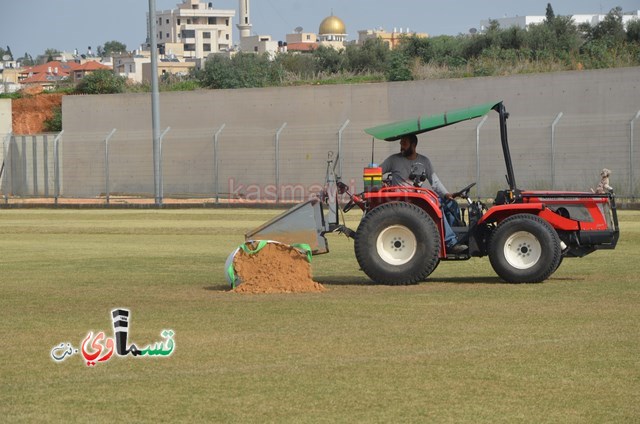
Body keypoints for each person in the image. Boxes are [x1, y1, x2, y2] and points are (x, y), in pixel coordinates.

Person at [380, 133, 468, 254]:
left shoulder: (424, 161)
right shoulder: (393, 160)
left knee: (451, 204)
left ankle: (457, 239)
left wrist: (447, 194)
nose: (401, 146)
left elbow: (435, 182)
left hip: (418, 199)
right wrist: (381, 185)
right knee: (438, 206)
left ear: (414, 144)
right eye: (401, 143)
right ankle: (450, 243)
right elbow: (376, 171)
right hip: (403, 200)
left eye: (404, 143)